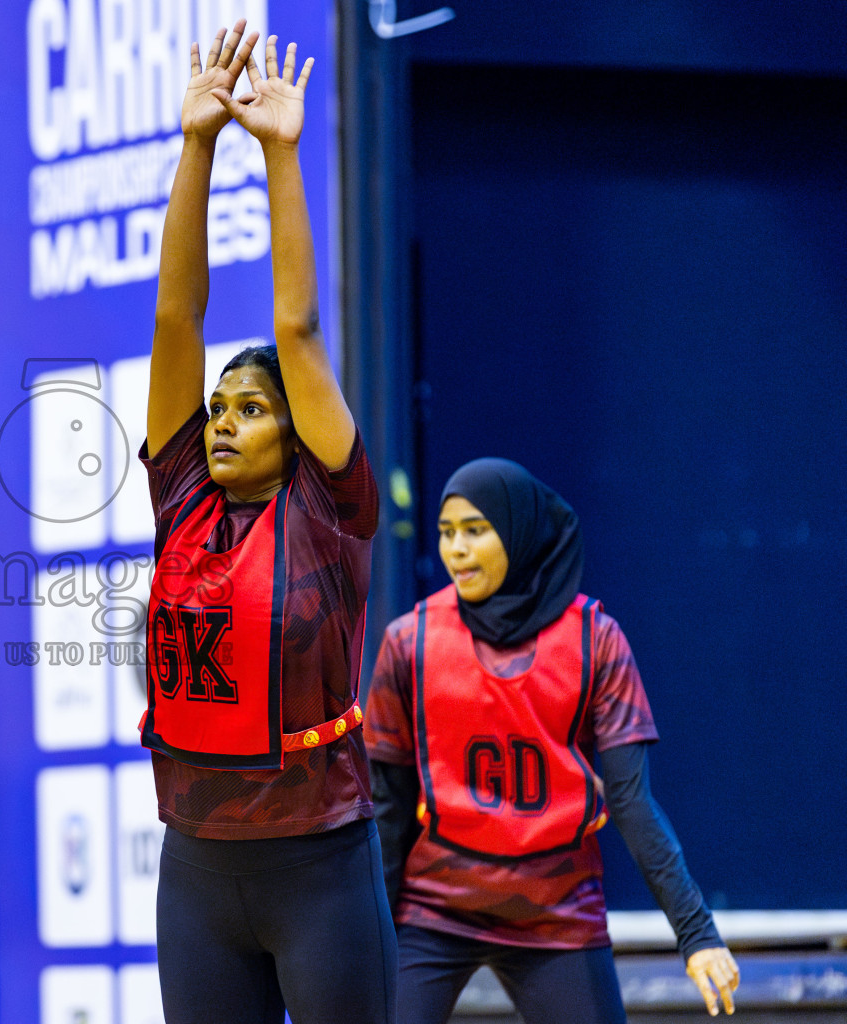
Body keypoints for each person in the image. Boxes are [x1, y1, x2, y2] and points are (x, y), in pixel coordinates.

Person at [140, 23, 396, 1024]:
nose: (225, 424)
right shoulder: (182, 499)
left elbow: (297, 328)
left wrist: (277, 156)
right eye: (218, 409)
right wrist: (196, 148)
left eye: (252, 409)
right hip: (195, 868)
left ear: (299, 432)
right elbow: (175, 317)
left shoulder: (331, 509)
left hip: (319, 864)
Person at [363, 458, 742, 1022]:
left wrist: (698, 934)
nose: (456, 551)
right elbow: (386, 806)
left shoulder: (595, 640)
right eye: (446, 533)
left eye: (476, 530)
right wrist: (375, 934)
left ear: (519, 531)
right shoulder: (409, 641)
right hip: (435, 911)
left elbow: (632, 802)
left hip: (557, 912)